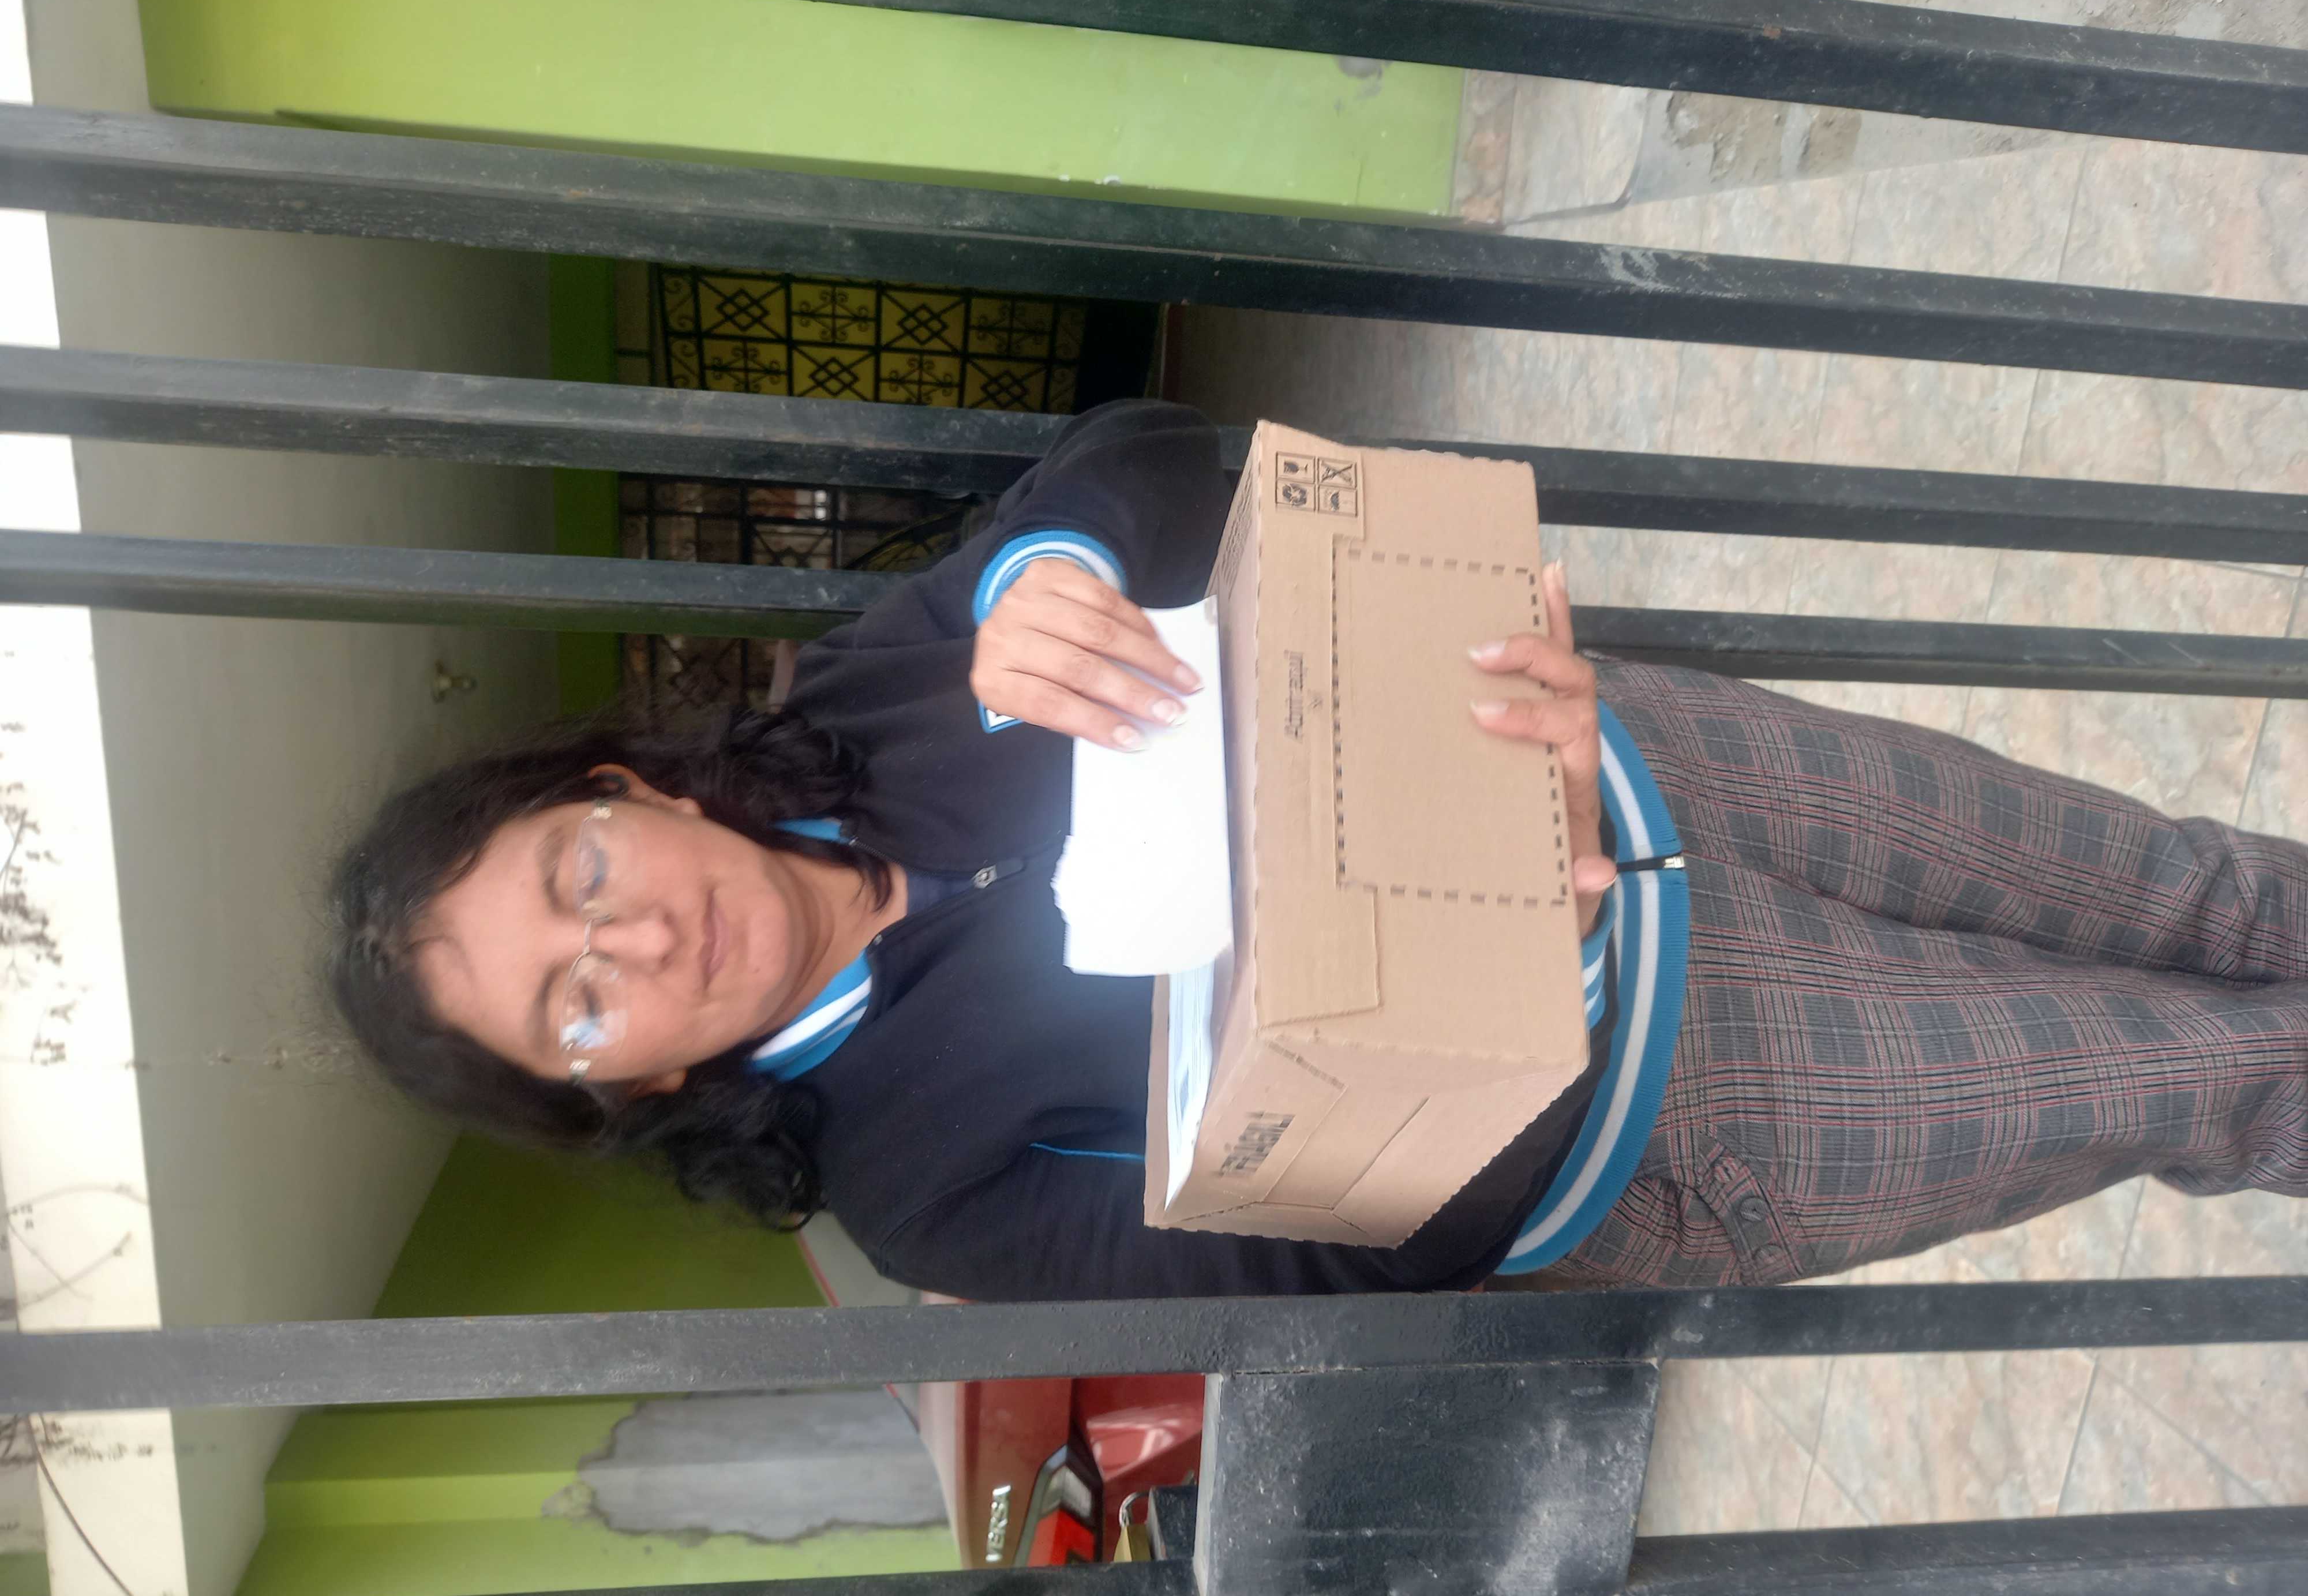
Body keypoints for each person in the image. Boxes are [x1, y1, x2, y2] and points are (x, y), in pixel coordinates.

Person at [328, 401, 2308, 1301]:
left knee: (2197, 890)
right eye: (573, 1009)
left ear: (632, 794)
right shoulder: (923, 1197)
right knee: (2227, 1074)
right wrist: (1512, 962)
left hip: (1652, 757)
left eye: (579, 878)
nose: (629, 946)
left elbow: (1150, 453)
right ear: (627, 1087)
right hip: (1686, 1096)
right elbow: (1337, 1248)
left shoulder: (876, 697)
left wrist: (1044, 568)